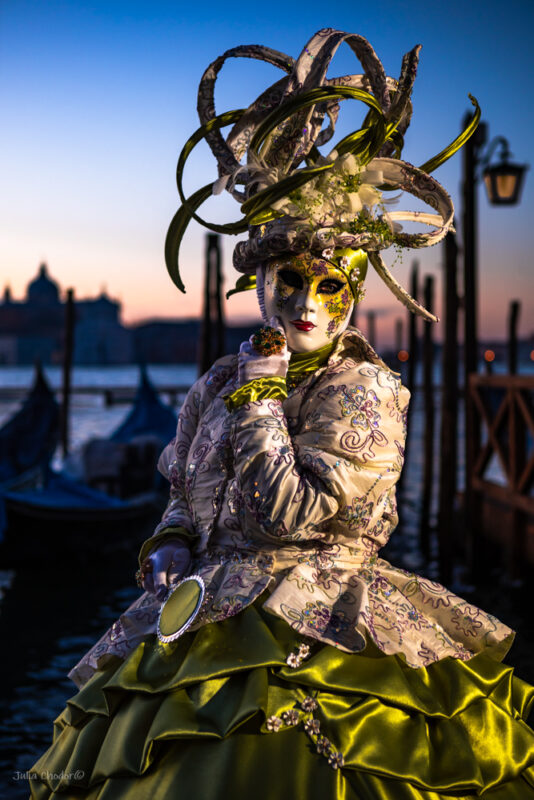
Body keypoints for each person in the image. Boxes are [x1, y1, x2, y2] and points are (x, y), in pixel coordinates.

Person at [30, 28, 534, 799]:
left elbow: (288, 517)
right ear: (259, 279)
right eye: (290, 279)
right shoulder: (214, 381)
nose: (307, 302)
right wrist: (168, 541)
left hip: (318, 623)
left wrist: (264, 395)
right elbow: (182, 491)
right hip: (196, 623)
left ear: (356, 290)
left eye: (331, 285)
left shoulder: (362, 390)